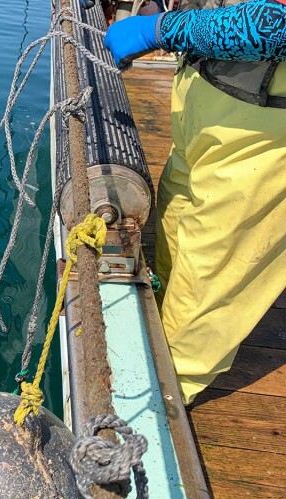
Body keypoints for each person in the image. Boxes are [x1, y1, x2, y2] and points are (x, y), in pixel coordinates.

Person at [103, 0, 286, 404]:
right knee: (175, 215)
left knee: (218, 261)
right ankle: (161, 313)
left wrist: (161, 28)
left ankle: (165, 392)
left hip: (268, 130)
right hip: (204, 95)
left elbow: (271, 26)